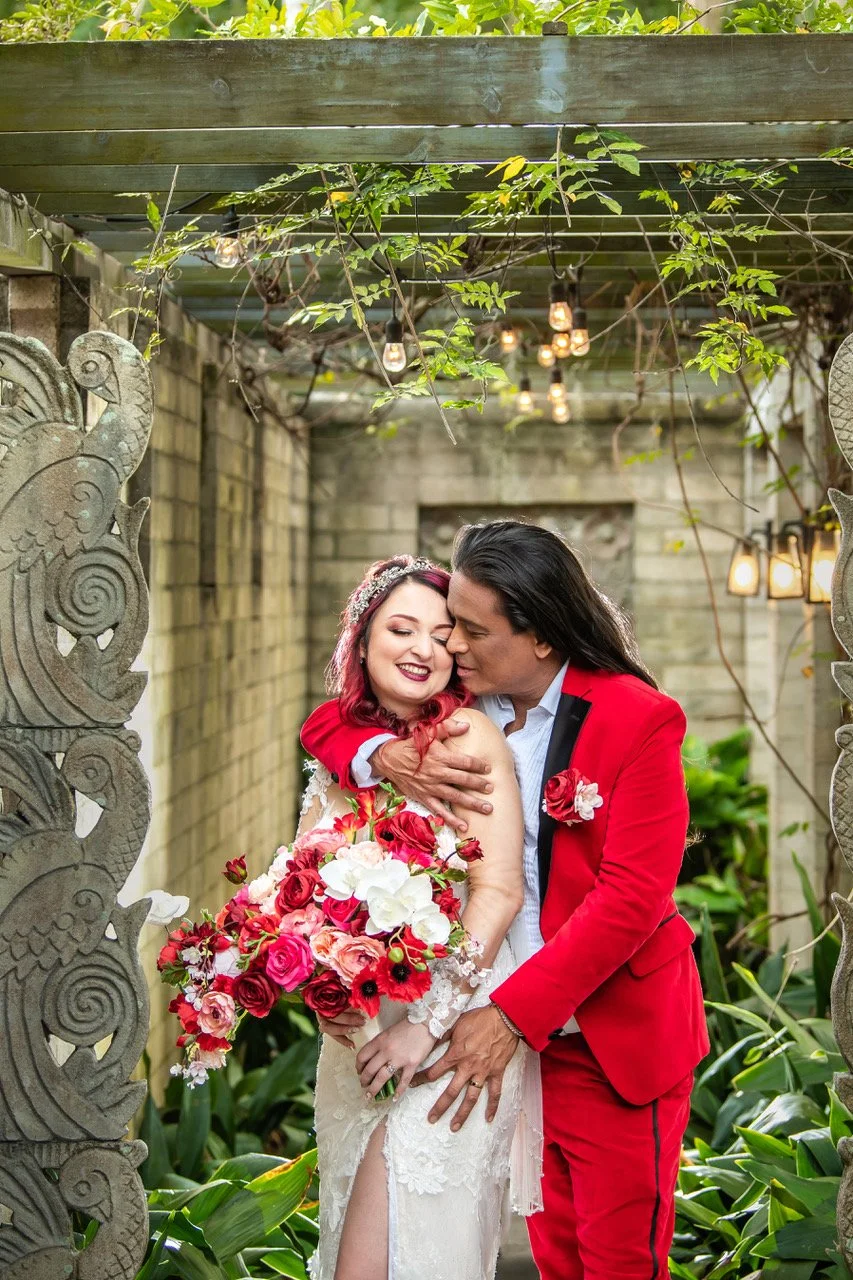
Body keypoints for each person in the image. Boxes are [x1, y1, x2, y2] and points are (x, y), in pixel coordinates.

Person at [302, 520, 710, 1280]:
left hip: (601, 1037)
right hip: (485, 1027)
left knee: (613, 1262)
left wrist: (511, 1015)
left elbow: (630, 899)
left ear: (542, 637)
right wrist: (376, 752)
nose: (449, 644)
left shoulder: (636, 718)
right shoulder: (460, 707)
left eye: (468, 628)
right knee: (548, 1258)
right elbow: (332, 717)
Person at [299, 555, 539, 1280]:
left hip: (451, 1028)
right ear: (361, 641)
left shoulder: (466, 741)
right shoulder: (340, 748)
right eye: (400, 629)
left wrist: (429, 1026)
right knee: (352, 1240)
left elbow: (497, 891)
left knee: (403, 1251)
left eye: (442, 636)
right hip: (358, 1039)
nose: (422, 650)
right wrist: (325, 995)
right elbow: (302, 893)